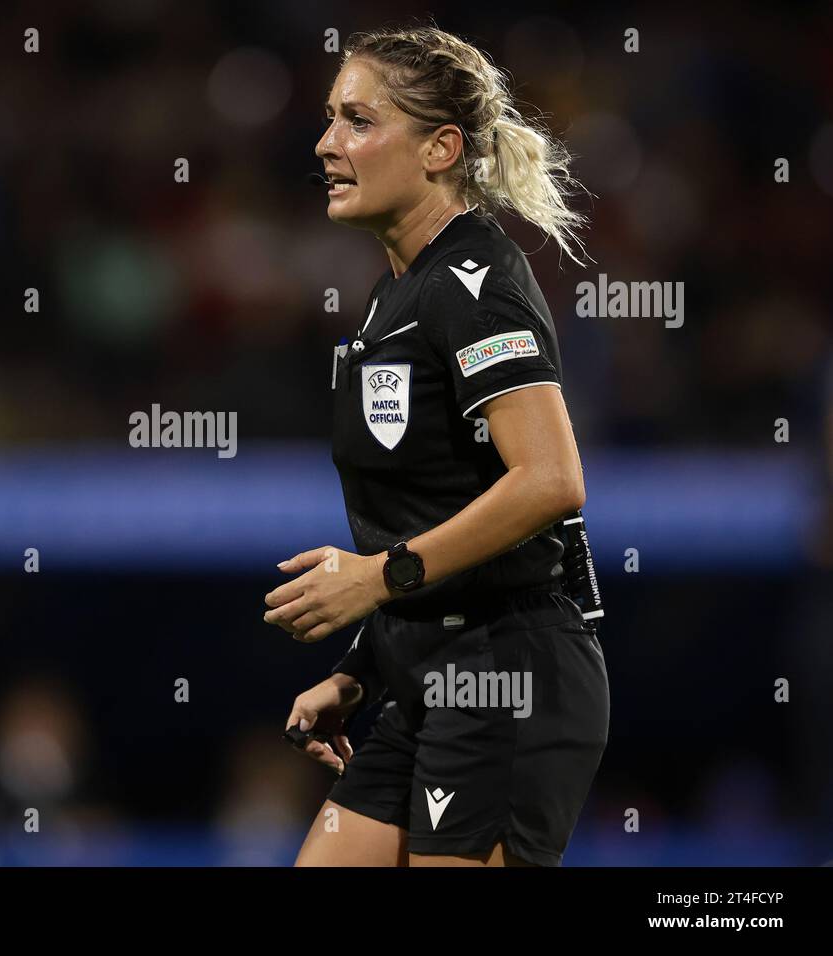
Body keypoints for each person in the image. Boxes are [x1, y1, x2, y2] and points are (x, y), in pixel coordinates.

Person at [265, 26, 608, 867]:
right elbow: (432, 510)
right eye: (328, 119)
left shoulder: (476, 285)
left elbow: (552, 481)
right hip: (424, 672)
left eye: (357, 120)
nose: (326, 144)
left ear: (440, 147)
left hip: (508, 674)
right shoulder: (392, 299)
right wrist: (363, 668)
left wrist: (377, 580)